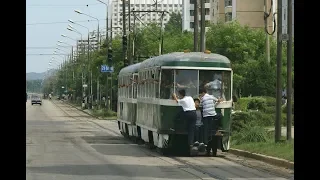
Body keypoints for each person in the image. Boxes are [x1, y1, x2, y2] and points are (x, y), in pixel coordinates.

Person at [199, 88, 223, 156]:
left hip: (206, 116)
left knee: (207, 132)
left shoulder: (203, 99)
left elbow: (200, 105)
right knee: (220, 115)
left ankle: (207, 147)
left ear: (203, 93)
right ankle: (214, 152)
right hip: (213, 115)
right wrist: (219, 101)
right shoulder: (211, 96)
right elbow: (218, 100)